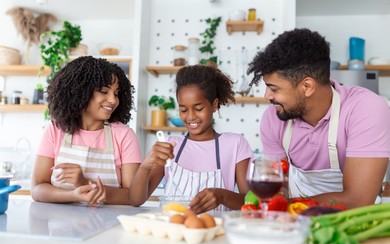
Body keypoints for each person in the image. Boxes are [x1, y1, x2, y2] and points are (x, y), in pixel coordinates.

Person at [247, 28, 390, 209]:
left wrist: (287, 205)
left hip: (354, 222)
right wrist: (277, 198)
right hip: (296, 221)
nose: (267, 96)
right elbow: (279, 185)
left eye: (274, 89)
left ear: (307, 86)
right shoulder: (274, 117)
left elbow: (357, 199)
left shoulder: (366, 108)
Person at [131, 65, 254, 213]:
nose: (190, 116)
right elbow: (136, 199)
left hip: (215, 232)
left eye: (198, 108)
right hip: (172, 230)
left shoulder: (235, 144)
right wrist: (145, 166)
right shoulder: (171, 145)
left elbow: (251, 202)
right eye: (183, 109)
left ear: (214, 105)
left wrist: (222, 196)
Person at [31, 56, 142, 205]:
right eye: (104, 91)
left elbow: (132, 196)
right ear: (80, 92)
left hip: (110, 225)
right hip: (61, 224)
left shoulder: (124, 135)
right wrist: (74, 195)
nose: (113, 100)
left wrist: (85, 184)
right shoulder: (56, 129)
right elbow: (37, 188)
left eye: (116, 93)